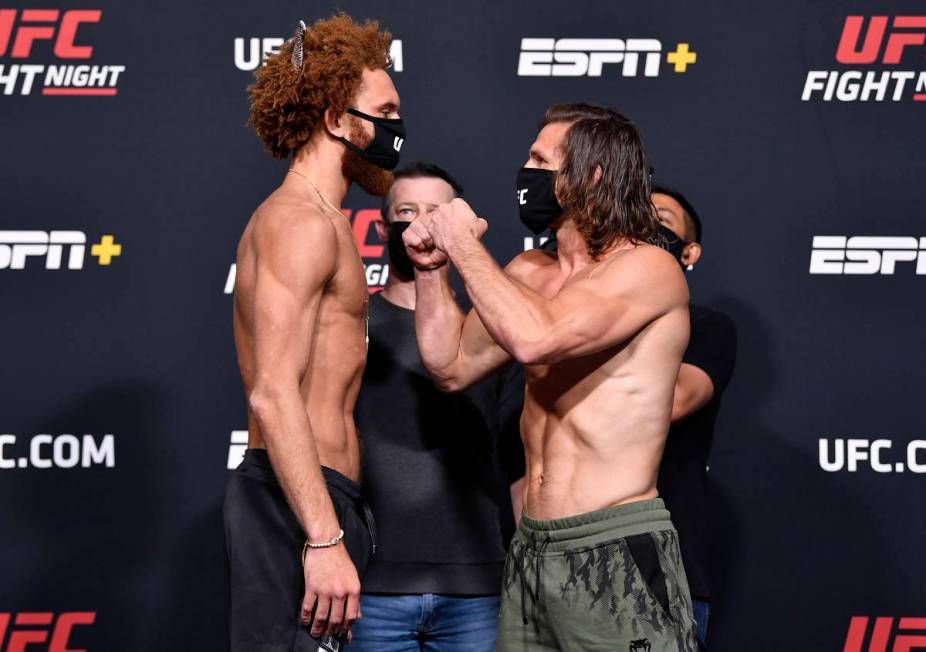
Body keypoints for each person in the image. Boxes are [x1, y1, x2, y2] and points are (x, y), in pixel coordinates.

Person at [403, 103, 699, 651]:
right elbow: (449, 366)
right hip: (532, 547)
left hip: (613, 545)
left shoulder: (647, 269)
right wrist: (431, 267)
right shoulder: (529, 273)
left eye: (541, 159)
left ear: (591, 177)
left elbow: (537, 338)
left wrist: (464, 243)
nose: (526, 171)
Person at [223, 15, 404, 651]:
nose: (396, 131)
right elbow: (273, 392)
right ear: (335, 119)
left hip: (323, 500)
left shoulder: (327, 221)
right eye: (383, 112)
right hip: (295, 505)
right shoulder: (299, 223)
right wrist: (323, 539)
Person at [350, 161, 525, 651]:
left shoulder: (490, 335)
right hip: (368, 588)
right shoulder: (347, 327)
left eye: (436, 211)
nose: (422, 223)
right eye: (407, 210)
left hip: (477, 589)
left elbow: (518, 459)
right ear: (382, 228)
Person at [653, 186, 737, 648]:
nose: (645, 228)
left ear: (689, 252)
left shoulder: (706, 328)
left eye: (661, 220)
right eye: (634, 217)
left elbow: (673, 402)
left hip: (663, 571)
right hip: (559, 564)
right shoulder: (569, 322)